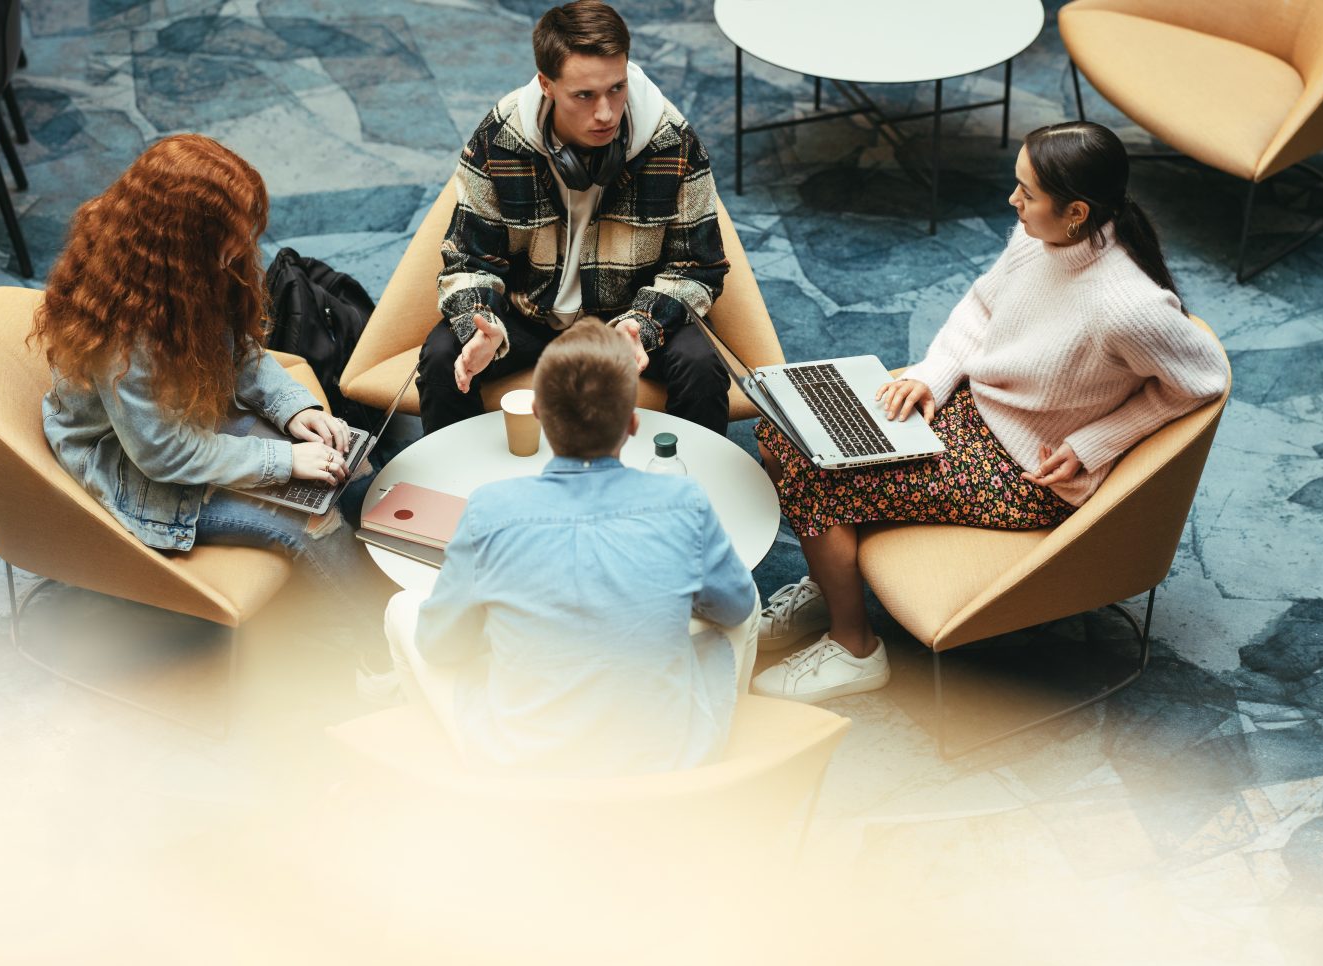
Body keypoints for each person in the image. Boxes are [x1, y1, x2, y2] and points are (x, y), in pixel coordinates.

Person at [748, 121, 1230, 703]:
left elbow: (1204, 379)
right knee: (782, 433)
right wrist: (934, 373)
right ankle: (831, 582)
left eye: (1027, 192)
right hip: (970, 412)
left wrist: (1097, 442)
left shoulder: (1127, 305)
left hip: (1023, 474)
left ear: (1076, 210)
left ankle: (855, 648)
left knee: (814, 473)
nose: (1013, 201)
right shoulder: (1040, 238)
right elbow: (981, 307)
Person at [389, 322, 758, 775]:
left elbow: (439, 645)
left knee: (403, 609)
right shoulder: (686, 501)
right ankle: (721, 767)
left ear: (539, 414)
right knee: (748, 599)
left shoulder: (488, 509)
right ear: (634, 423)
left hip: (521, 768)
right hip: (664, 764)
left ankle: (448, 775)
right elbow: (736, 608)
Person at [36, 134, 354, 580]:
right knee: (313, 524)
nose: (247, 240)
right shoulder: (127, 336)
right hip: (131, 464)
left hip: (184, 422)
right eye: (233, 231)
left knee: (346, 471)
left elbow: (237, 351)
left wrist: (292, 407)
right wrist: (282, 461)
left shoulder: (194, 269)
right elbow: (161, 453)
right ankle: (379, 643)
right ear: (185, 239)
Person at [416, 0, 733, 436]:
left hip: (629, 318)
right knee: (441, 357)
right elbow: (469, 260)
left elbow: (698, 267)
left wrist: (642, 324)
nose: (605, 113)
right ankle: (452, 494)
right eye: (584, 95)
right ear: (546, 84)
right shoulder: (499, 139)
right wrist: (479, 322)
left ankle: (693, 496)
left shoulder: (673, 141)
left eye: (616, 89)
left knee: (702, 365)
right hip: (530, 316)